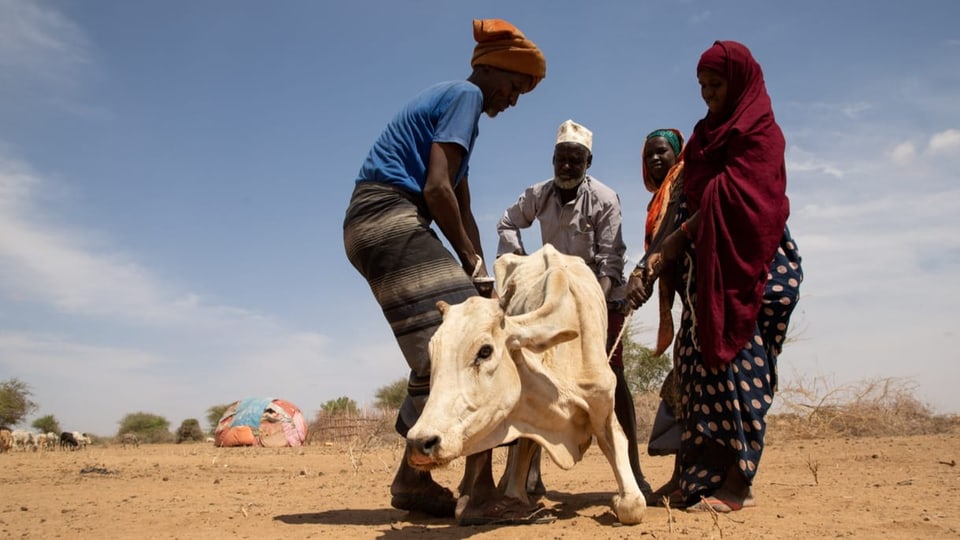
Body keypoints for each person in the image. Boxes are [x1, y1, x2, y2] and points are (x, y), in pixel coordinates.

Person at [343, 19, 546, 522]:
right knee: (468, 337)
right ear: (494, 71)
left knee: (441, 348)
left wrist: (482, 278)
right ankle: (476, 493)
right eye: (516, 87)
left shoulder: (461, 117)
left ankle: (414, 477)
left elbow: (460, 204)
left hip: (378, 221)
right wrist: (473, 268)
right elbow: (436, 189)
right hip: (387, 215)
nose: (513, 101)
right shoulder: (465, 97)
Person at [626, 40, 803, 513]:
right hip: (706, 282)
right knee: (693, 369)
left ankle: (736, 483)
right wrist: (656, 262)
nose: (707, 95)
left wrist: (680, 237)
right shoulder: (705, 136)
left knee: (736, 372)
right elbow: (689, 201)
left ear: (740, 82)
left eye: (716, 85)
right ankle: (692, 478)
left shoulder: (761, 134)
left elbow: (740, 200)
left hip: (750, 273)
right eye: (702, 86)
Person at [496, 119, 653, 498]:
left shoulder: (604, 198)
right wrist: (521, 264)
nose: (566, 167)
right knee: (532, 380)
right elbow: (507, 222)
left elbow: (610, 264)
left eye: (575, 160)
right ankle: (526, 477)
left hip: (599, 299)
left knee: (610, 379)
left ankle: (634, 474)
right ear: (553, 159)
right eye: (561, 159)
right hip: (549, 301)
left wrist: (587, 311)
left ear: (588, 162)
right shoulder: (539, 194)